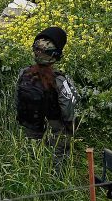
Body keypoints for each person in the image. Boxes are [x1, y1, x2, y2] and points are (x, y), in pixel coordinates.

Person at [16, 26, 79, 168]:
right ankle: (59, 182)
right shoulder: (60, 80)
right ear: (56, 55)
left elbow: (17, 101)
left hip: (30, 127)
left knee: (32, 162)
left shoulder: (24, 73)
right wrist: (70, 128)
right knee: (59, 159)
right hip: (54, 129)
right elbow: (69, 112)